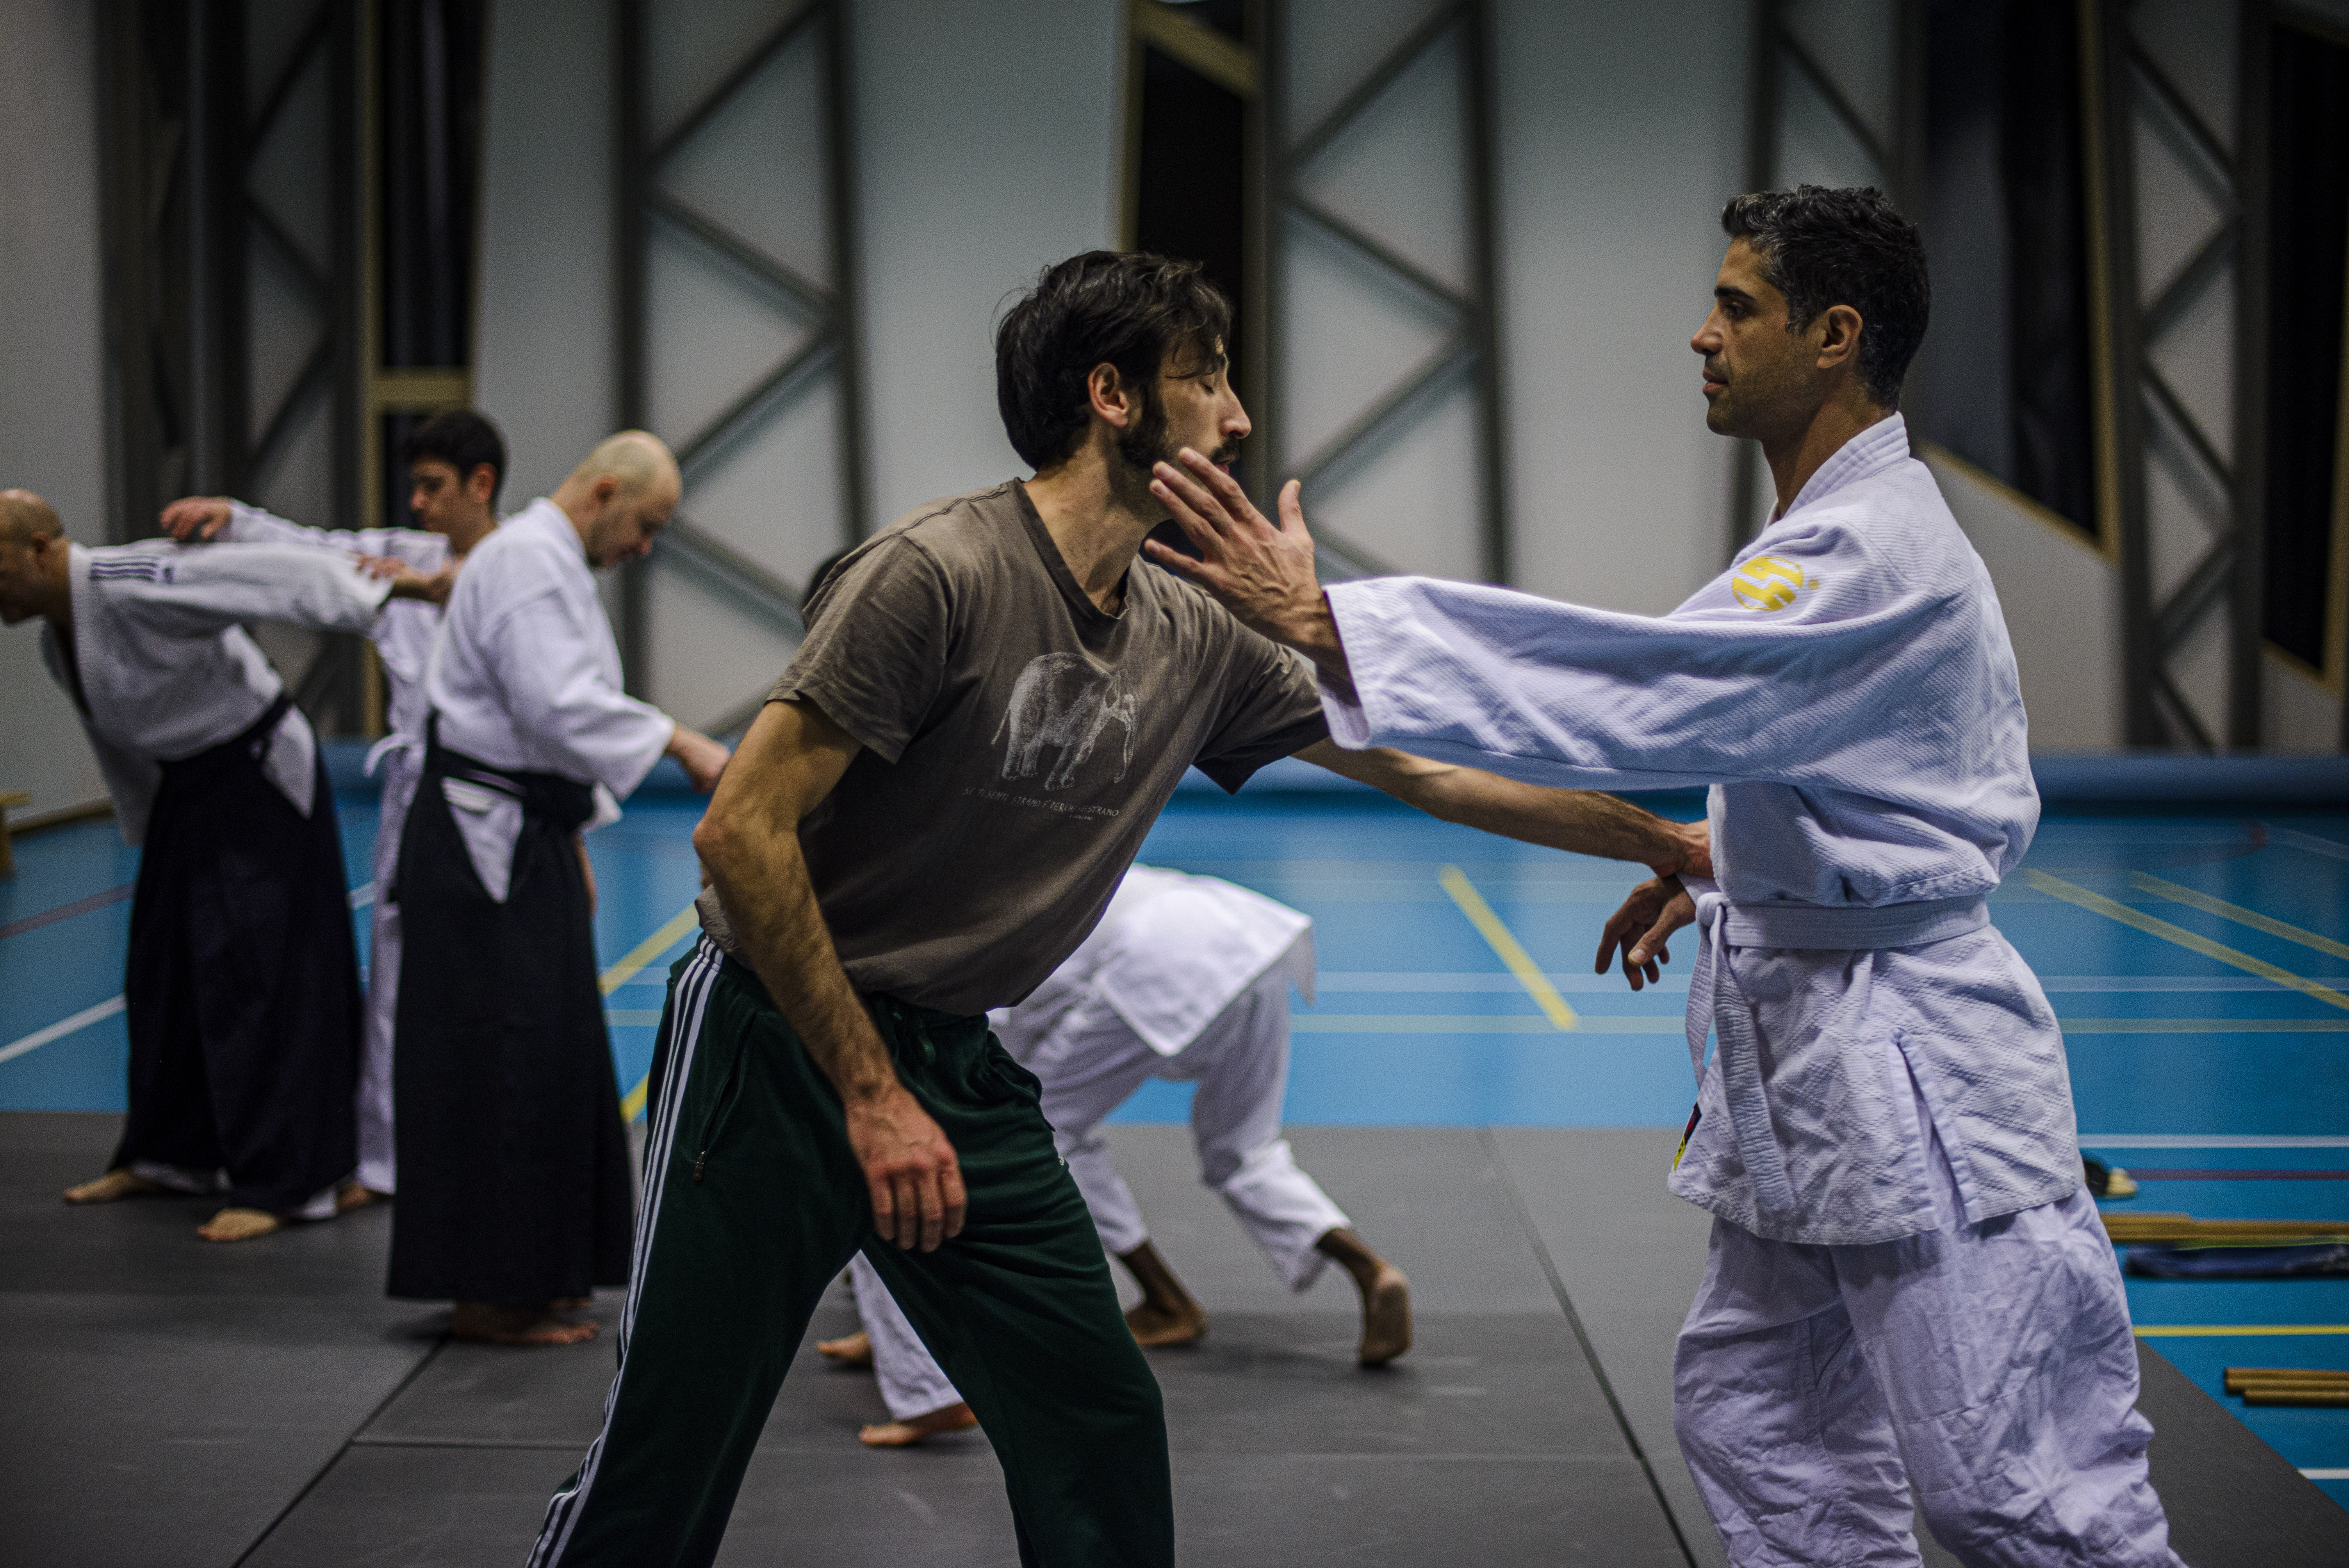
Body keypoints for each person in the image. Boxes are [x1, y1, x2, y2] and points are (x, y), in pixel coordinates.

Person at [524, 251, 1709, 1568]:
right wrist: (867, 1091)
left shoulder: (1190, 633)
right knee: (666, 1460)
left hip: (957, 1064)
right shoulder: (933, 572)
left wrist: (1665, 839)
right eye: (1205, 378)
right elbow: (740, 830)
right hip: (778, 1047)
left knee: (1092, 1410)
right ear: (1112, 397)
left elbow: (1421, 761)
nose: (1237, 414)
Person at [1144, 187, 2181, 1566]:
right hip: (1813, 1051)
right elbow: (1830, 770)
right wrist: (1727, 873)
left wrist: (1330, 620)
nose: (1700, 336)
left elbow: (1661, 687)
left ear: (1832, 336)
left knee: (2017, 1483)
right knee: (1760, 1416)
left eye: (1735, 307)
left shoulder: (1872, 546)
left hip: (1914, 1073)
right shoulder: (1828, 536)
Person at [818, 862, 1408, 1448]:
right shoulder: (986, 870)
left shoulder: (931, 927)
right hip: (1247, 940)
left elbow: (965, 1055)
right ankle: (1371, 1272)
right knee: (1248, 1147)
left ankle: (1160, 1301)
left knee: (1035, 1129)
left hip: (1162, 962)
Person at [0, 489, 440, 1242]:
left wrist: (402, 584)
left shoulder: (131, 578)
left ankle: (288, 1183)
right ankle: (172, 1157)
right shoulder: (58, 637)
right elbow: (122, 741)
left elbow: (262, 575)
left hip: (256, 779)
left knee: (264, 981)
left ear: (41, 550)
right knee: (163, 974)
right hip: (187, 792)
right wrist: (146, 824)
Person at [389, 429, 731, 1349]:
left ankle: (538, 1277)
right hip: (478, 843)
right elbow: (555, 705)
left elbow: (538, 722)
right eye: (645, 525)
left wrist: (575, 832)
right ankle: (487, 1294)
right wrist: (681, 740)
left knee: (549, 1053)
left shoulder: (543, 562)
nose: (643, 548)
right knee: (495, 1058)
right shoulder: (529, 564)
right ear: (606, 491)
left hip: (522, 826)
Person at [159, 410, 509, 1201]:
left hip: (504, 801)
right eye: (413, 485)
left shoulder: (527, 566)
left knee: (500, 981)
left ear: (480, 485)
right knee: (393, 974)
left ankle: (495, 1144)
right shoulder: (405, 557)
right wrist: (236, 521)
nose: (417, 502)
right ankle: (381, 1161)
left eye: (433, 486)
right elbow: (312, 552)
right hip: (418, 790)